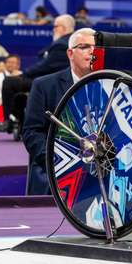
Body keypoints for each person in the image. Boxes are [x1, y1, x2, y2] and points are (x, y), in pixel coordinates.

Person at [22, 28, 96, 195]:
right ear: (70, 53)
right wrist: (57, 162)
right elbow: (32, 132)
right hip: (55, 175)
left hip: (100, 178)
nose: (92, 51)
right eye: (84, 47)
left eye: (96, 48)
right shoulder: (44, 86)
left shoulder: (112, 86)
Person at [0, 14, 75, 138]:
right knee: (19, 91)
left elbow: (45, 66)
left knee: (10, 82)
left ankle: (8, 121)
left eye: (55, 26)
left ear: (63, 28)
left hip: (53, 82)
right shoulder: (66, 42)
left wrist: (22, 73)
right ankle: (19, 120)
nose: (53, 29)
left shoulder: (62, 44)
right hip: (51, 79)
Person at [0, 55, 22, 122]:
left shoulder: (23, 76)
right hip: (0, 105)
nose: (10, 65)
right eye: (9, 62)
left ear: (18, 65)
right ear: (5, 64)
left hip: (20, 106)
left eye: (13, 62)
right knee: (2, 120)